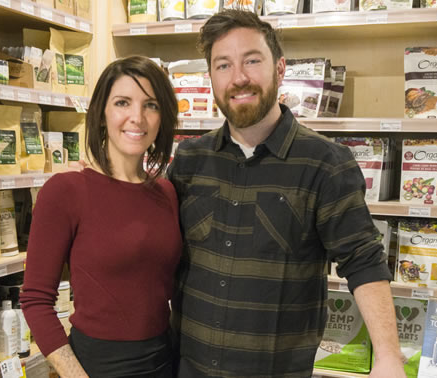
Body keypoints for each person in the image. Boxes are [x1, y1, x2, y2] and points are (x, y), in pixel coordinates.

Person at [166, 9, 406, 377]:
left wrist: (388, 358)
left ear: (279, 69)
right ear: (210, 77)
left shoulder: (327, 163)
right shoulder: (189, 159)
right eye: (223, 65)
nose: (239, 78)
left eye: (252, 60)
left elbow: (363, 261)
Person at [20, 55, 182, 378]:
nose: (137, 117)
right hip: (95, 367)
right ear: (102, 113)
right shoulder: (65, 191)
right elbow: (36, 301)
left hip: (164, 362)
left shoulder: (167, 193)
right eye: (123, 102)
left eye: (150, 105)